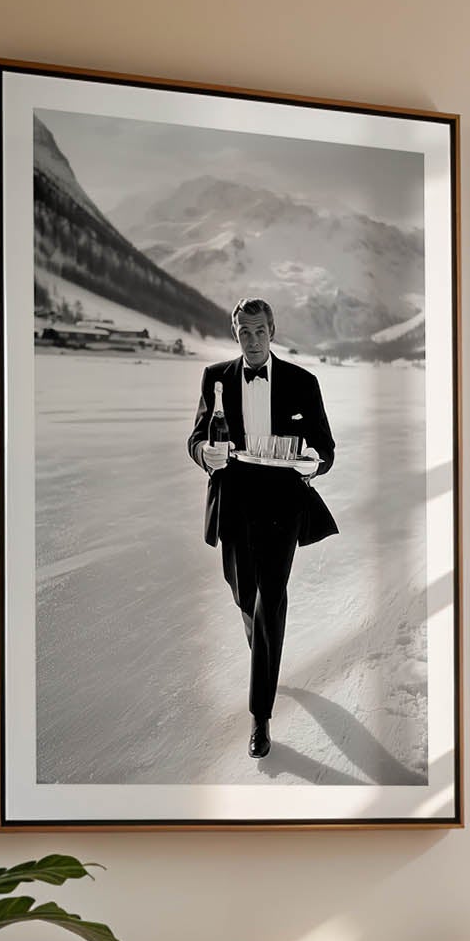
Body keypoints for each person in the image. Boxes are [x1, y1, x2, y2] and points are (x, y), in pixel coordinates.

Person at [188, 298, 335, 759]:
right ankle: (263, 652)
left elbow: (325, 447)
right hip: (232, 504)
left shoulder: (302, 382)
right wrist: (203, 455)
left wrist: (315, 463)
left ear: (272, 331)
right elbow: (196, 438)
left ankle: (260, 716)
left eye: (259, 331)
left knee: (269, 602)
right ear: (235, 333)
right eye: (243, 332)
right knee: (243, 596)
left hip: (282, 508)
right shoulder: (215, 378)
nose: (251, 340)